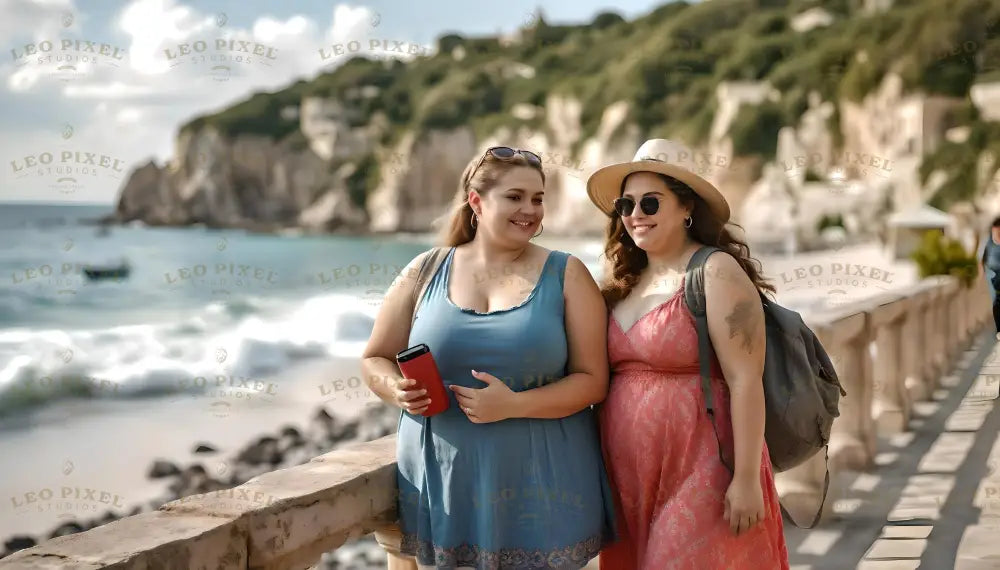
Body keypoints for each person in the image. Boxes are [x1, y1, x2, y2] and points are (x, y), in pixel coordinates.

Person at [361, 146, 617, 569]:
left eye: (538, 198)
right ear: (477, 202)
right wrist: (398, 390)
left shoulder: (567, 274)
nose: (530, 210)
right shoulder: (424, 270)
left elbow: (593, 380)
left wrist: (514, 405)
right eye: (515, 197)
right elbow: (375, 358)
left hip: (542, 486)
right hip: (441, 485)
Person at [585, 139, 790, 569]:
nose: (635, 214)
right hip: (626, 479)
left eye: (650, 203)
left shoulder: (715, 271)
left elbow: (745, 379)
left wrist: (747, 479)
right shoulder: (623, 281)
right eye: (625, 205)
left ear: (686, 208)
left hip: (704, 466)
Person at [977, 216, 1000, 339]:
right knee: (996, 300)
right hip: (991, 275)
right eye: (996, 227)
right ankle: (999, 329)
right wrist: (980, 276)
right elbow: (980, 259)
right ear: (993, 228)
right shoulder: (987, 242)